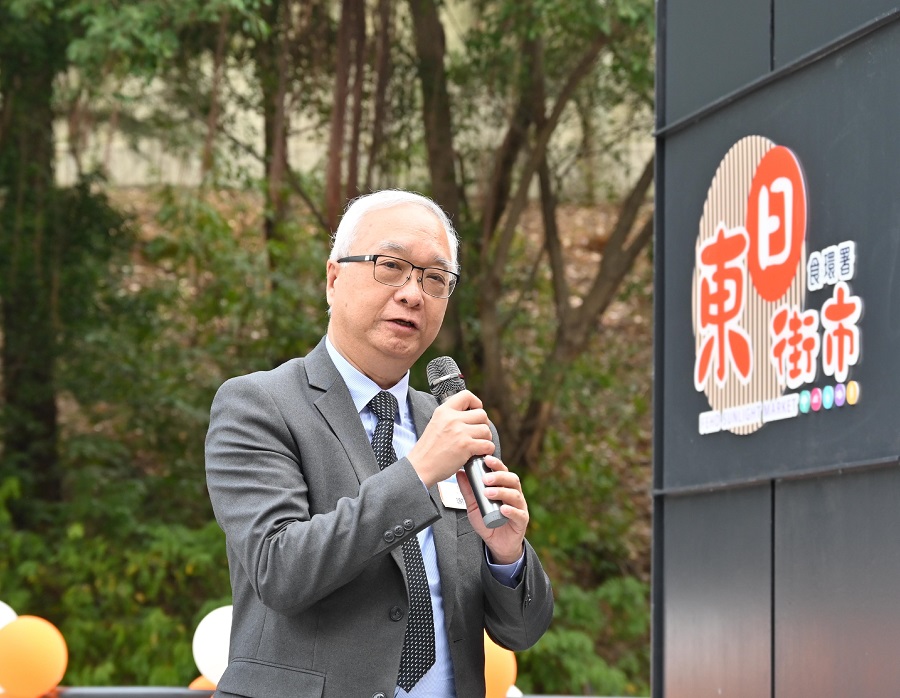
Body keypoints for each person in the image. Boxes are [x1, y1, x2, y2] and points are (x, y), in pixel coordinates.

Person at [205, 189, 554, 698]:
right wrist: (416, 473)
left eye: (435, 278)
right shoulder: (258, 404)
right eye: (391, 265)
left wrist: (507, 555)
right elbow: (280, 571)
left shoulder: (459, 428)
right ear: (333, 278)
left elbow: (520, 631)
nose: (413, 293)